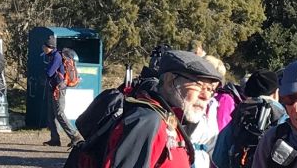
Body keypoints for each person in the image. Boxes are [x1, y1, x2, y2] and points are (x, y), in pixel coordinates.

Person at [90, 50, 223, 168]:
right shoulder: (148, 122)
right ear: (170, 81)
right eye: (200, 86)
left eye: (211, 89)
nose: (206, 96)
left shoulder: (169, 119)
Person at [42, 39, 85, 147]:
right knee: (51, 115)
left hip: (58, 89)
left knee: (59, 113)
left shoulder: (56, 57)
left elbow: (50, 72)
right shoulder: (52, 55)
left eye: (44, 46)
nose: (43, 48)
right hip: (53, 88)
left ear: (50, 47)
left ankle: (75, 136)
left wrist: (45, 71)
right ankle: (55, 139)